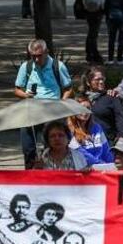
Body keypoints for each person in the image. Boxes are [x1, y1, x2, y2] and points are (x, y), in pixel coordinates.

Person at [15, 39, 74, 167]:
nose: (36, 59)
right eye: (33, 56)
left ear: (46, 52)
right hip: (31, 110)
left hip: (52, 110)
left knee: (52, 147)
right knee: (28, 149)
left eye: (39, 56)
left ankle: (52, 175)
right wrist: (25, 95)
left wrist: (62, 104)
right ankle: (30, 177)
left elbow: (68, 88)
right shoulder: (26, 66)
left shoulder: (58, 66)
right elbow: (17, 90)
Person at [83, 66, 123, 143]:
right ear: (88, 82)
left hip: (107, 141)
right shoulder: (81, 98)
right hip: (86, 140)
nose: (101, 82)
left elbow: (120, 119)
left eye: (102, 79)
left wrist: (121, 136)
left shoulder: (111, 97)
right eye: (97, 79)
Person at [68, 95, 113, 166]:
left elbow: (106, 151)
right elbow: (81, 154)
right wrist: (100, 164)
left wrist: (111, 166)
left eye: (88, 108)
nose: (85, 112)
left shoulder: (97, 128)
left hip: (102, 169)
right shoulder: (69, 130)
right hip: (84, 170)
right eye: (81, 108)